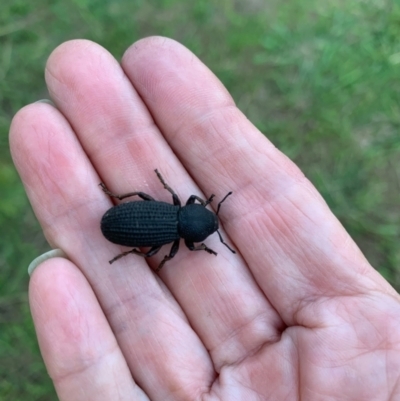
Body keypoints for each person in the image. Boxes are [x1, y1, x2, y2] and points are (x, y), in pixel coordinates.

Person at [10, 37, 400, 400]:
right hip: (127, 222)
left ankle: (121, 225)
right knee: (149, 234)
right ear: (195, 216)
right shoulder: (179, 235)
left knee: (146, 215)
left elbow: (179, 224)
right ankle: (122, 230)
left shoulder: (181, 212)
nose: (208, 221)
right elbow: (170, 249)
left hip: (130, 216)